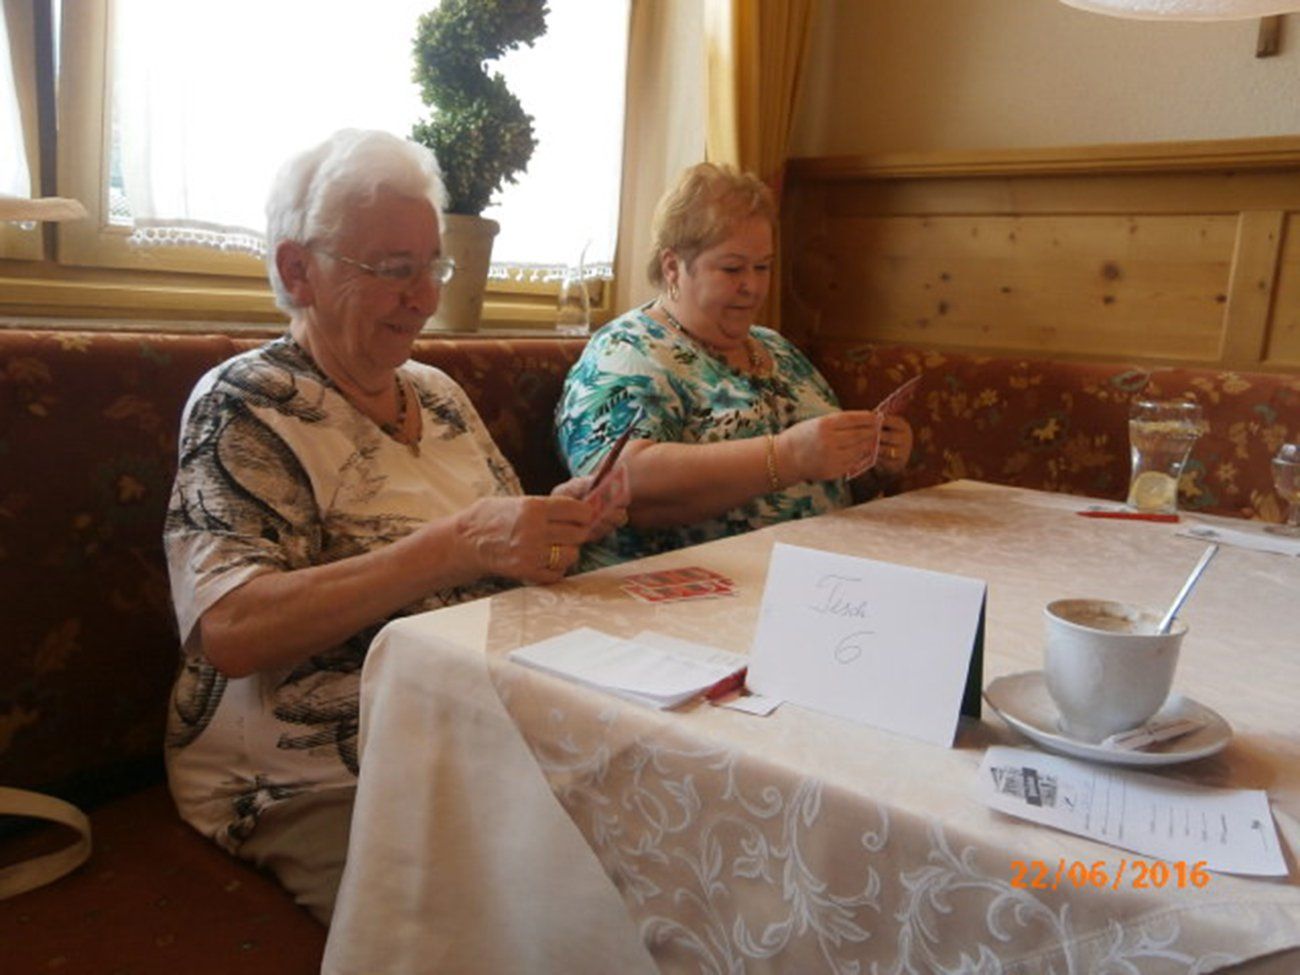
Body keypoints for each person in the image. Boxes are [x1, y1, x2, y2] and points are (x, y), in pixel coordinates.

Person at [162, 129, 623, 924]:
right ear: (297, 270)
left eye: (432, 267)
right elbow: (230, 630)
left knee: (639, 856)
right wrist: (456, 544)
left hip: (472, 726)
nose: (423, 298)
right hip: (308, 774)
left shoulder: (437, 393)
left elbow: (505, 557)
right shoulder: (247, 402)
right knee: (503, 924)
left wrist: (561, 523)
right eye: (392, 269)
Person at [555, 162, 913, 567]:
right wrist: (786, 457)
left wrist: (871, 463)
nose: (753, 286)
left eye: (763, 267)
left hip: (815, 572)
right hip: (687, 582)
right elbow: (616, 482)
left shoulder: (776, 348)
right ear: (673, 266)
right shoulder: (627, 351)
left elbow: (822, 488)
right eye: (732, 268)